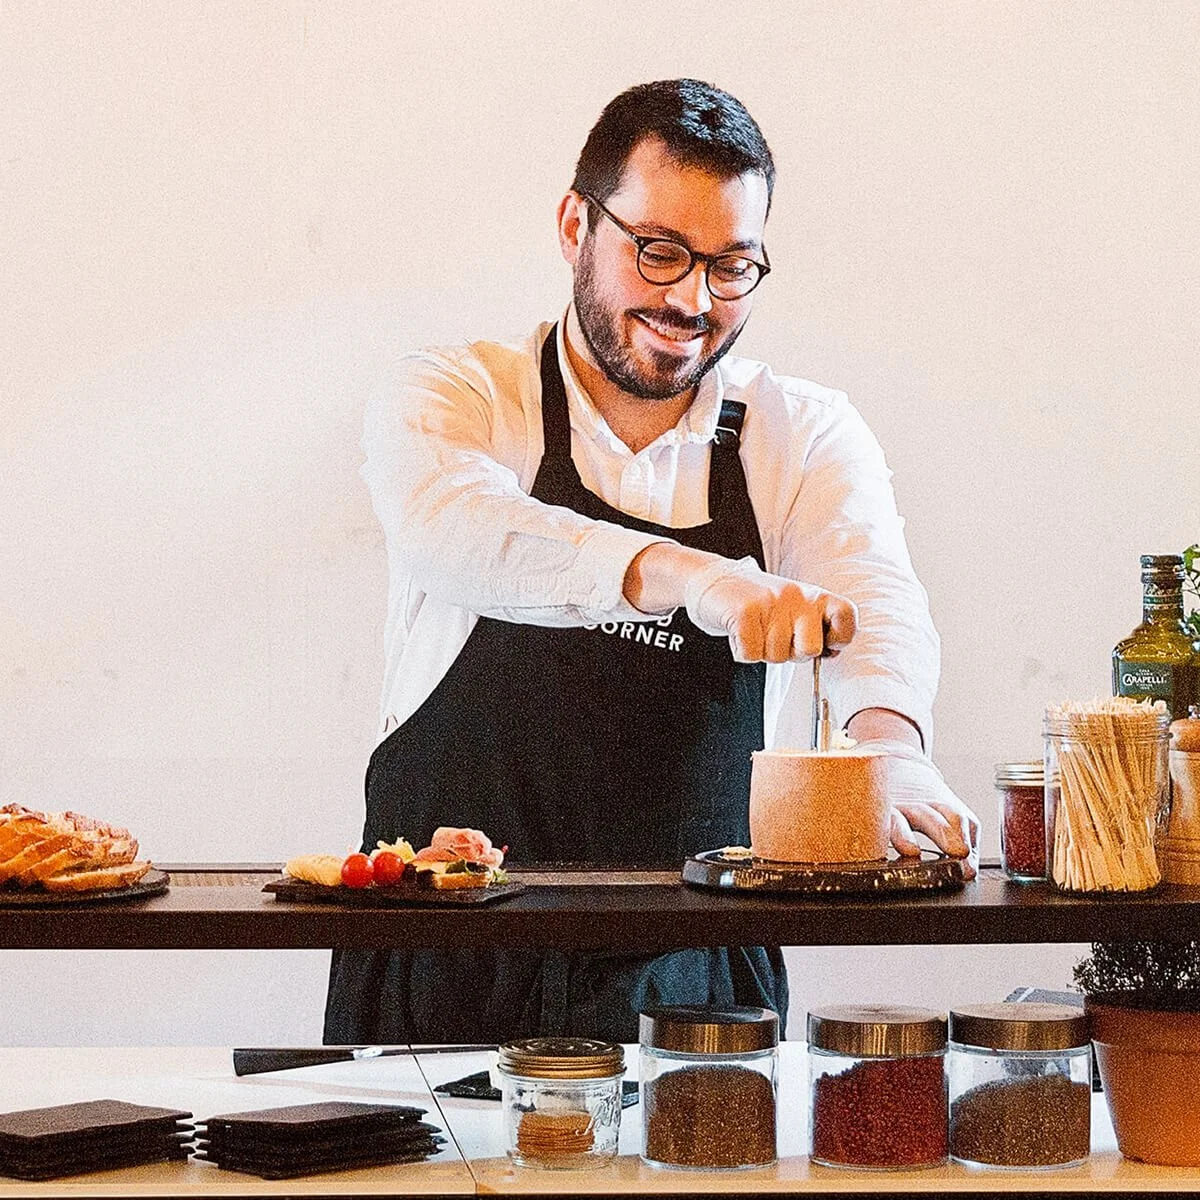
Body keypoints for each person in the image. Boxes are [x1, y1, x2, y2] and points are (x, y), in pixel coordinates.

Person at [325, 78, 979, 1045]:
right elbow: (456, 532)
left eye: (732, 268)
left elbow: (869, 596)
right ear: (573, 225)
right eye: (659, 253)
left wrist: (891, 750)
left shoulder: (799, 433)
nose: (691, 299)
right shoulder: (460, 395)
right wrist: (696, 579)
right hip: (442, 952)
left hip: (699, 975)